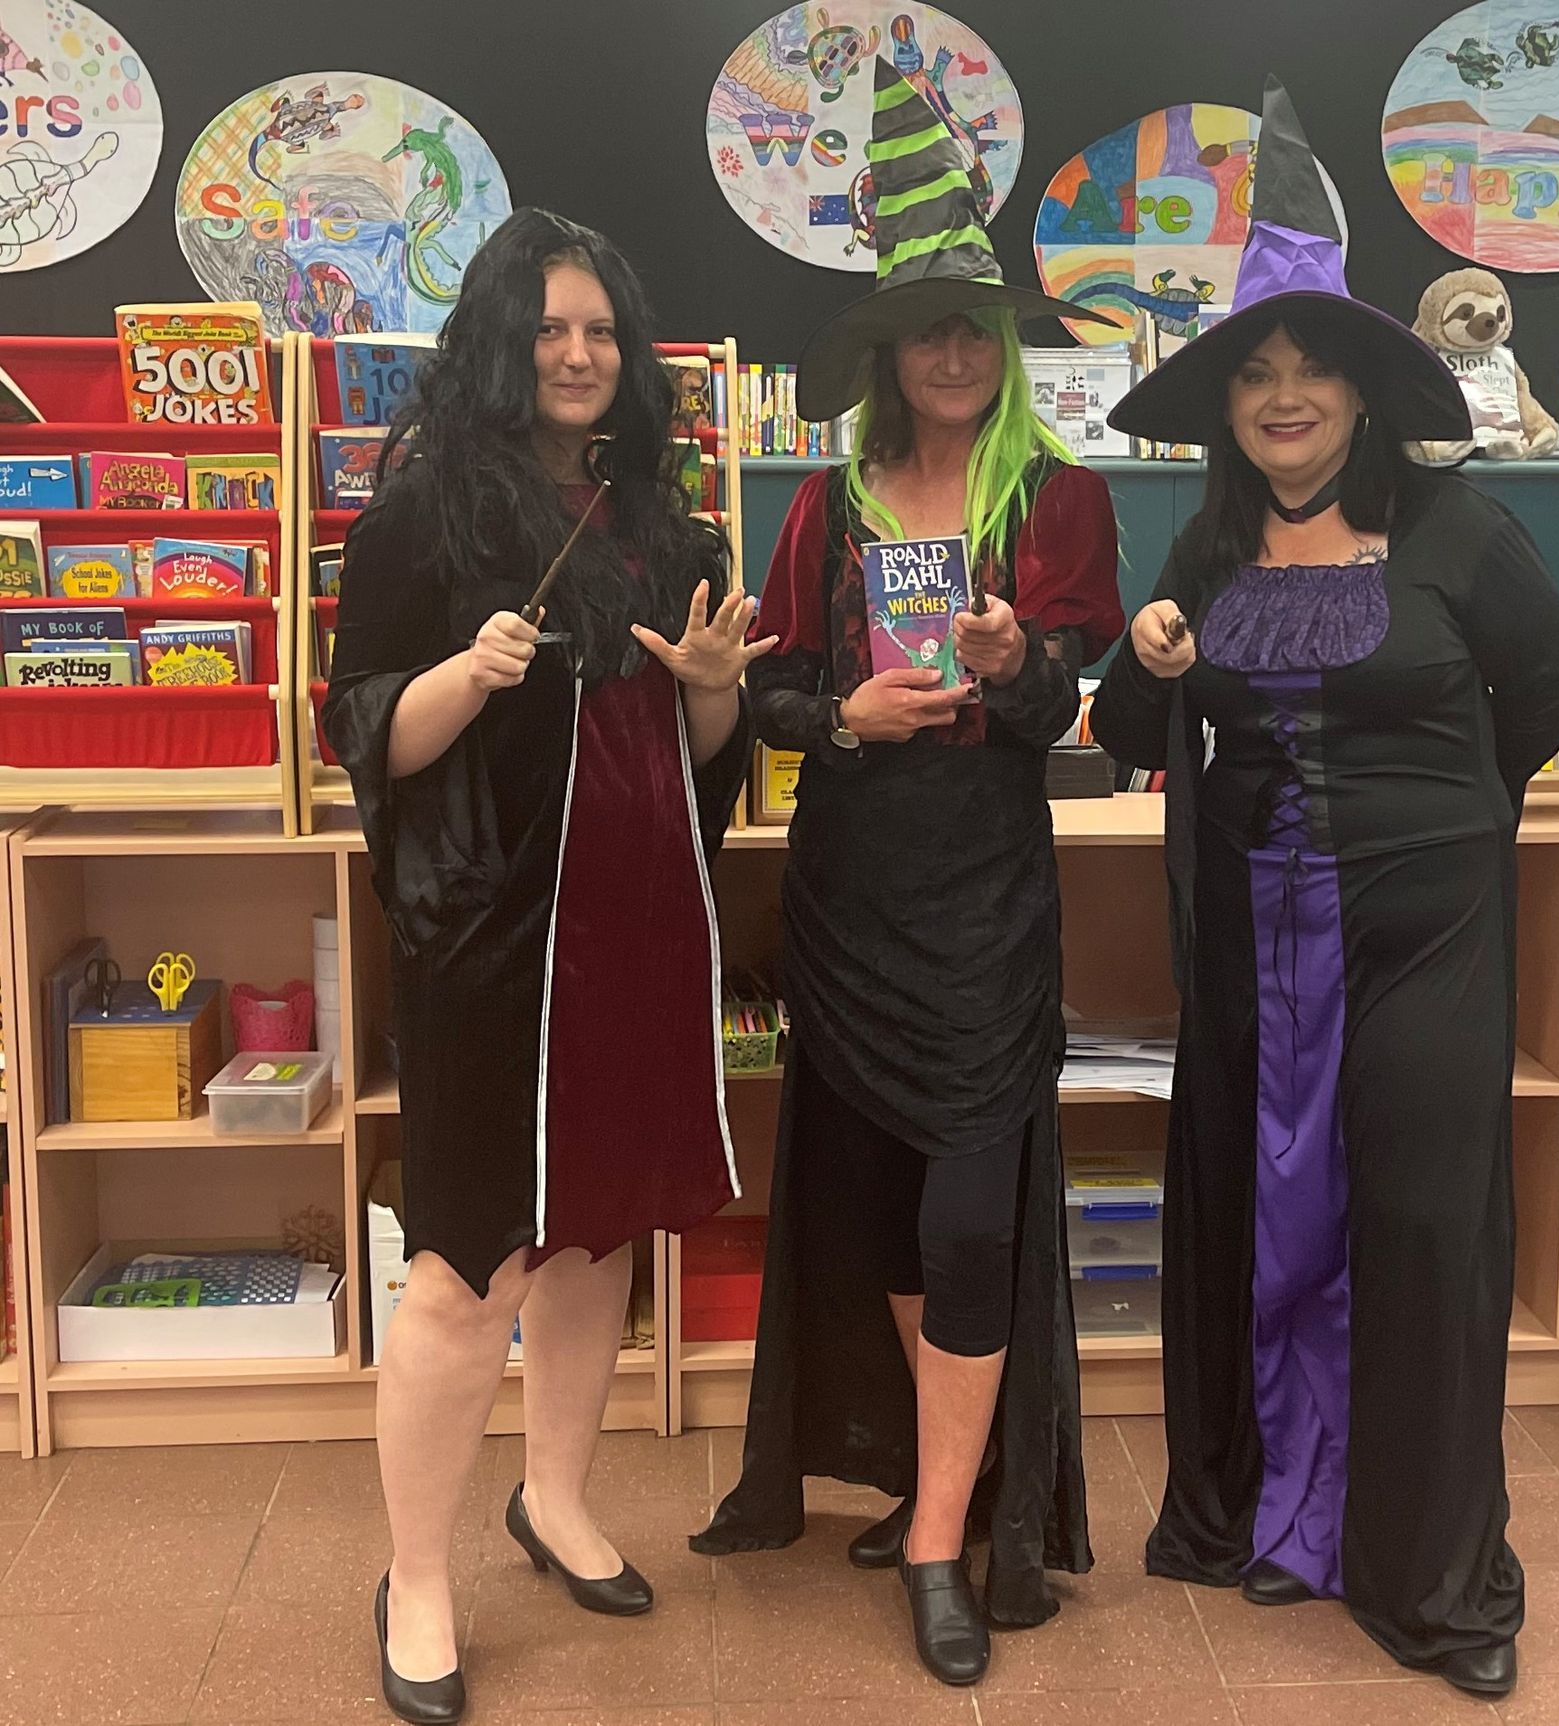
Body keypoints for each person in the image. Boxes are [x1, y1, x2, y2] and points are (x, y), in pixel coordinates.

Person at [1090, 80, 1559, 1700]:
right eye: (1257, 372)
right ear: (1227, 401)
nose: (1285, 396)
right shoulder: (1205, 548)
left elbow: (1551, 693)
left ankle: (1429, 1568)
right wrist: (1151, 661)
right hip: (1254, 946)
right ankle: (1271, 1512)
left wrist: (1446, 824)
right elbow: (1115, 729)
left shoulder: (1458, 529)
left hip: (1425, 939)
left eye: (1312, 369)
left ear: (1366, 391)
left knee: (1426, 1229)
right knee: (1258, 1215)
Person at [692, 62, 1124, 1688]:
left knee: (965, 1212)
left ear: (1000, 347)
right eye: (923, 331)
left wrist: (1016, 664)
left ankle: (944, 1532)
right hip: (852, 898)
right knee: (875, 1202)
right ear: (886, 353)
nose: (951, 352)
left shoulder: (1053, 499)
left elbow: (1067, 702)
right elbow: (788, 691)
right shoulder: (826, 501)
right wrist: (846, 717)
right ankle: (938, 1478)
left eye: (973, 328)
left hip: (987, 912)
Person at [322, 208, 762, 1726]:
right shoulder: (424, 514)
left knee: (596, 1236)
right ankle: (419, 1572)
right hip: (494, 948)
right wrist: (463, 672)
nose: (578, 356)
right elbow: (361, 730)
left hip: (638, 931)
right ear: (503, 341)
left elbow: (713, 761)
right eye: (549, 329)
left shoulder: (670, 520)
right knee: (467, 1262)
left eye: (602, 332)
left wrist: (712, 697)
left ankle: (558, 1499)